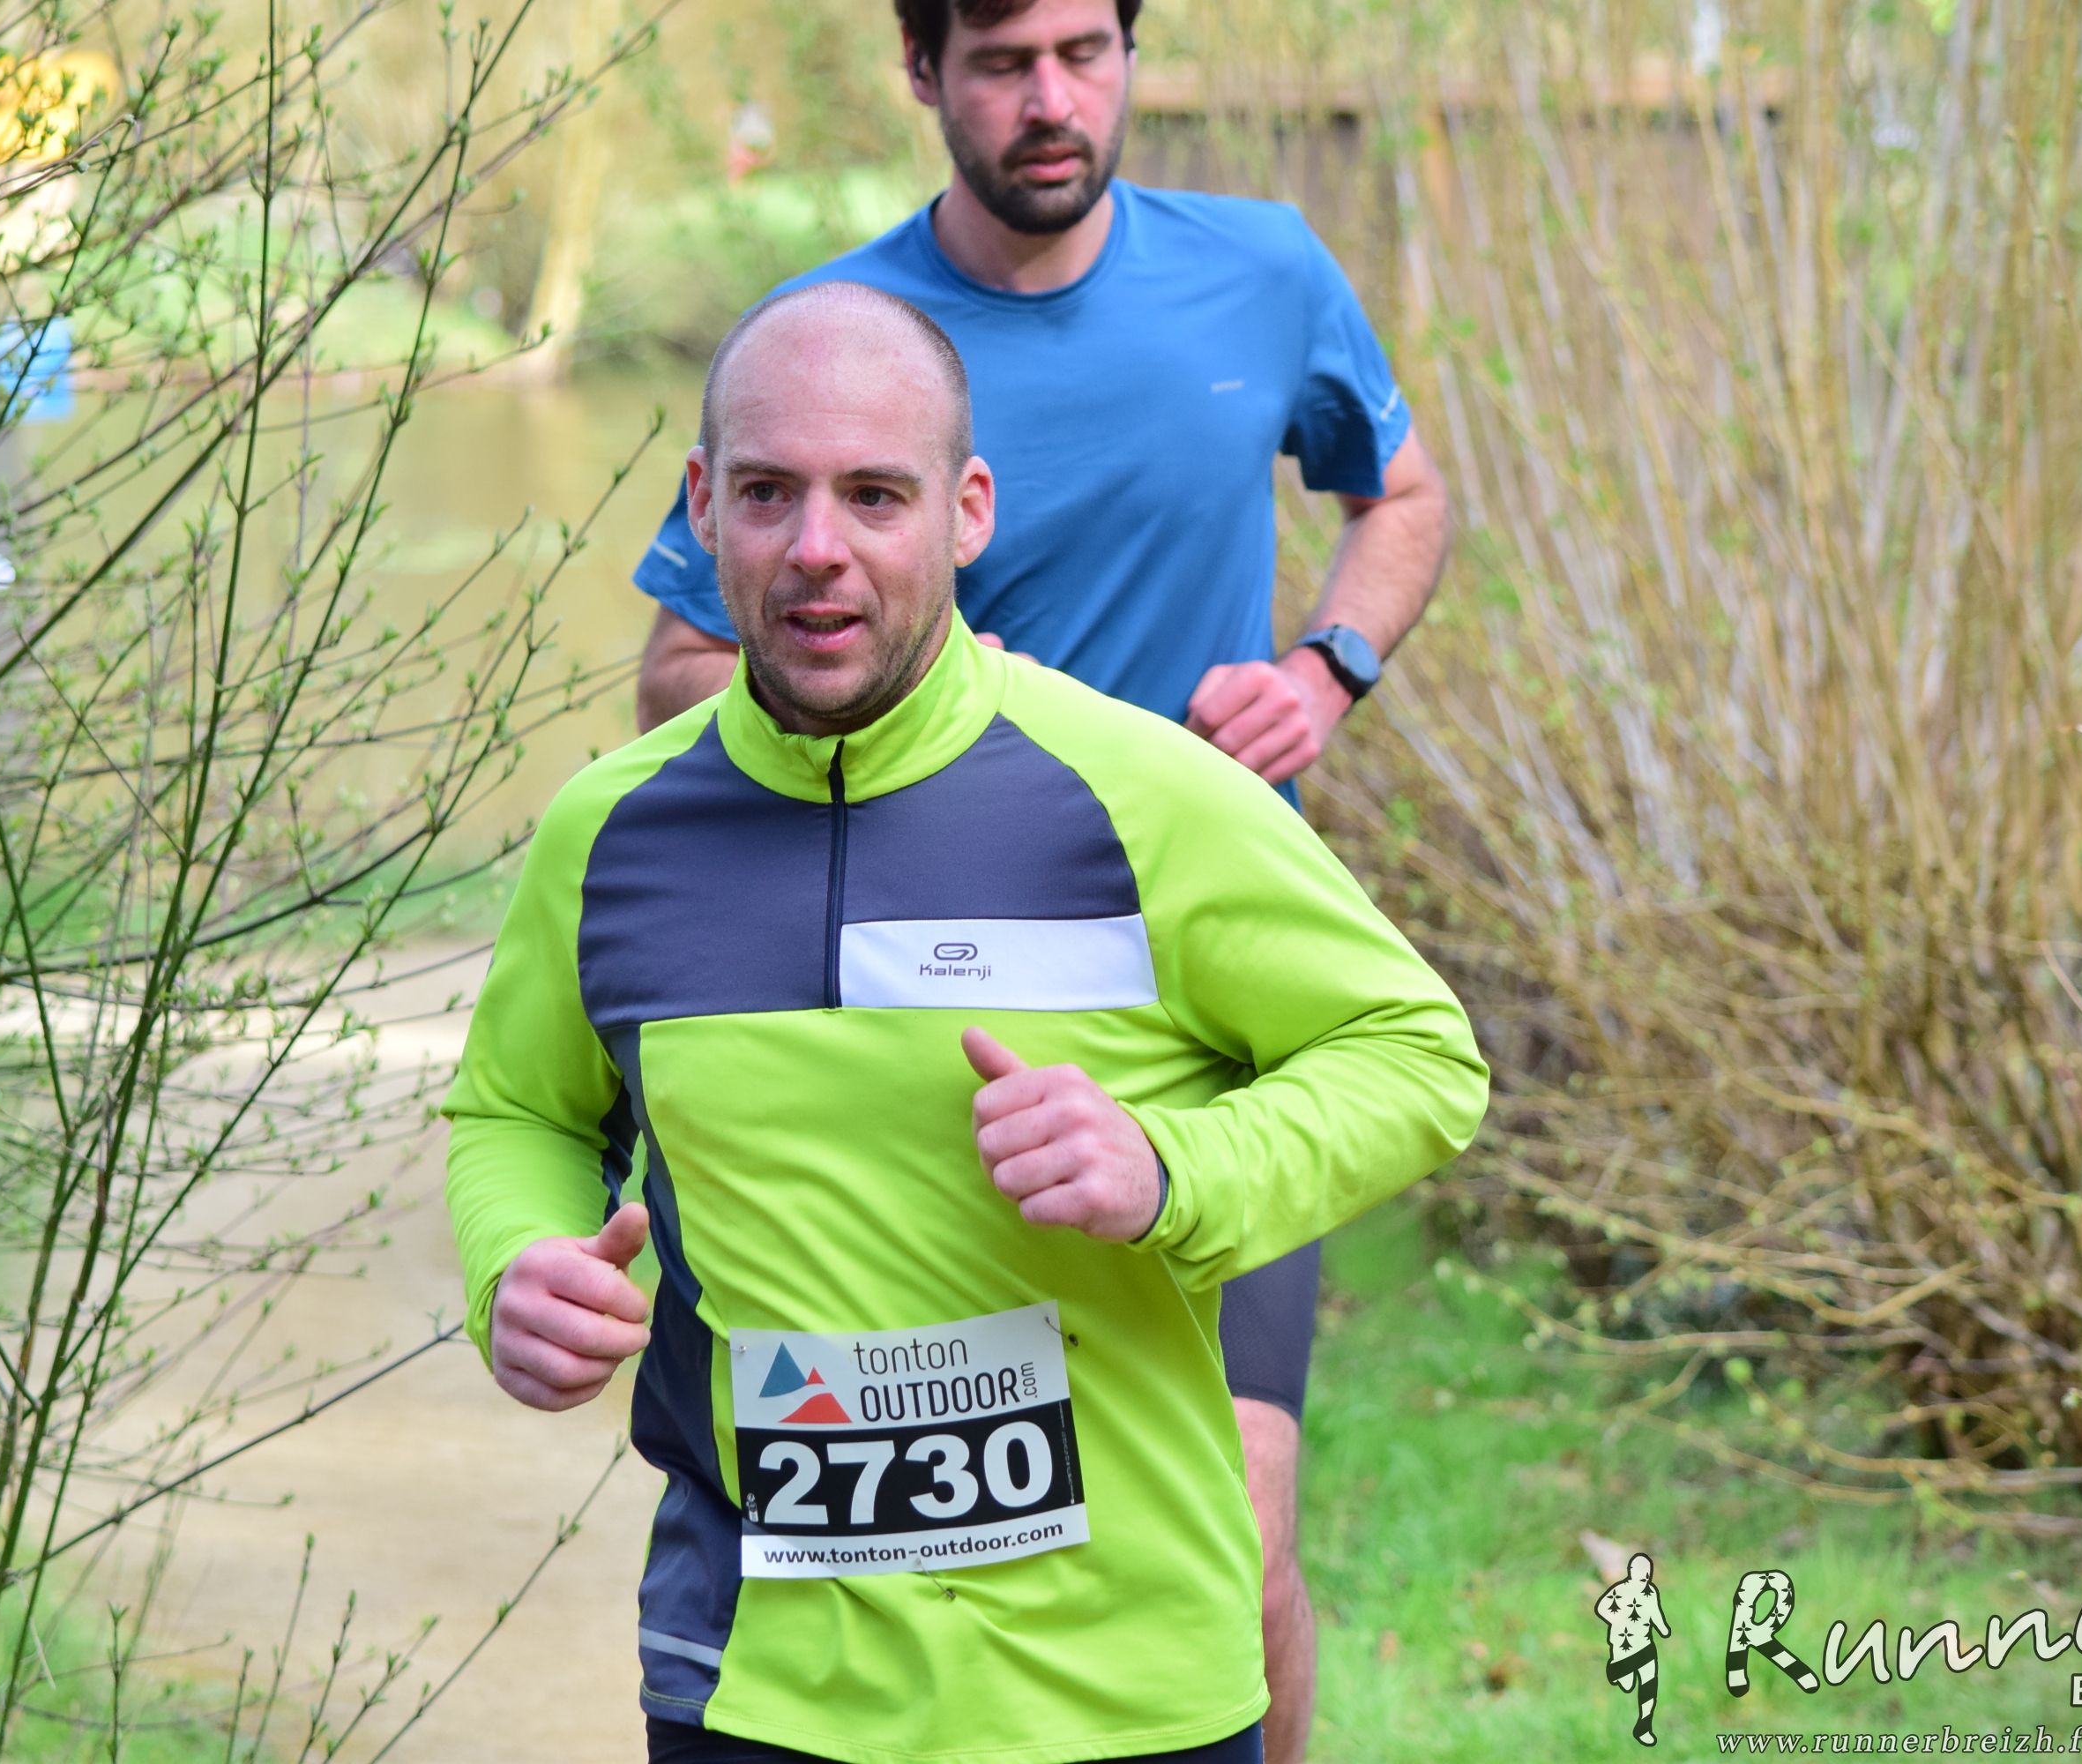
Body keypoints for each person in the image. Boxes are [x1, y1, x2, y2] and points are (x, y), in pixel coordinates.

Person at [446, 283, 1485, 1764]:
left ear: (967, 512)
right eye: (768, 493)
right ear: (703, 509)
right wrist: (518, 1262)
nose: (817, 547)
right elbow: (521, 1110)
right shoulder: (609, 834)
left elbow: (1419, 1057)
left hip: (1114, 1690)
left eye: (876, 496)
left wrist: (1173, 1170)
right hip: (751, 1685)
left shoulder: (1140, 793)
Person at [628, 11, 1451, 1755]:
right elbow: (681, 675)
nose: (1052, 98)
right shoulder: (841, 346)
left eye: (1086, 48)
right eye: (1003, 58)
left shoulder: (1261, 274)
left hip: (1201, 1021)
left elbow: (1399, 495)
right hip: (936, 1029)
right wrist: (913, 700)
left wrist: (1325, 671)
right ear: (923, 72)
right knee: (944, 1515)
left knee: (1246, 1524)